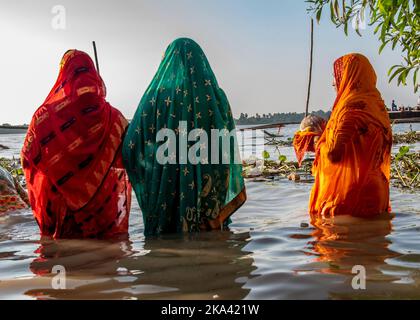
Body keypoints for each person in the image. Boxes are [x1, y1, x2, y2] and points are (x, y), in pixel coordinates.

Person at [123, 38, 246, 236]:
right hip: (208, 200)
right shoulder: (216, 98)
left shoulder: (154, 100)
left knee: (166, 245)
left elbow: (131, 145)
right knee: (212, 246)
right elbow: (227, 148)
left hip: (164, 199)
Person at [21, 50, 131, 239]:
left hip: (63, 215)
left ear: (64, 77)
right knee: (107, 262)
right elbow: (128, 158)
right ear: (94, 76)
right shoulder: (115, 118)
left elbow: (29, 157)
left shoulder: (44, 117)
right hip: (104, 212)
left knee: (66, 260)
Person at [309, 53, 392, 219]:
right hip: (377, 194)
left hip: (351, 196)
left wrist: (316, 138)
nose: (333, 82)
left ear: (349, 76)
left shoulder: (350, 110)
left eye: (336, 75)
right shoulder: (377, 107)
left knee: (337, 244)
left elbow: (334, 154)